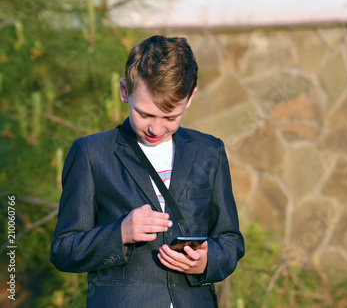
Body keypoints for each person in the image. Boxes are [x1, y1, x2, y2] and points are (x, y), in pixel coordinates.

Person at [50, 35, 245, 307]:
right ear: (124, 91)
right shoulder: (90, 153)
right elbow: (64, 250)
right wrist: (120, 232)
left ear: (190, 98)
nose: (155, 128)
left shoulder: (210, 151)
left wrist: (207, 260)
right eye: (144, 114)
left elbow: (230, 239)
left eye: (170, 117)